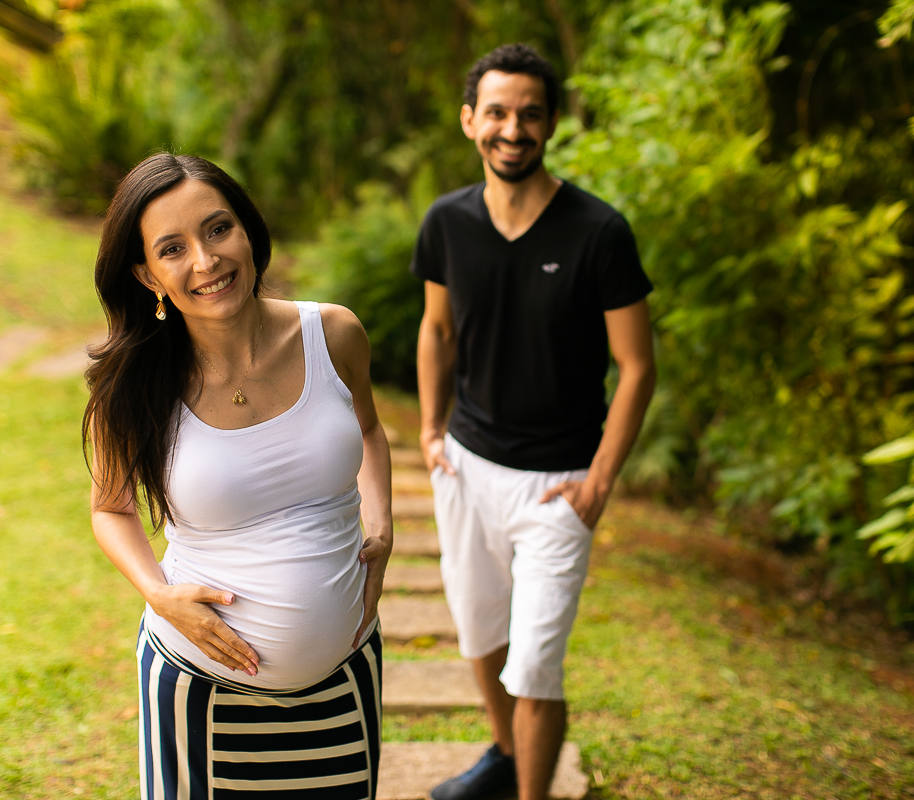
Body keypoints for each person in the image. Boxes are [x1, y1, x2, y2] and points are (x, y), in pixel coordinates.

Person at [84, 153, 392, 800]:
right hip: (199, 689)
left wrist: (382, 528)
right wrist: (157, 592)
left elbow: (367, 429)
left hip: (343, 676)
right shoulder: (134, 385)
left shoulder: (334, 334)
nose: (205, 260)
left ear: (248, 231)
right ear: (147, 274)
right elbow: (110, 508)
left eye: (218, 229)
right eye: (173, 248)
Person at [413, 44, 656, 800]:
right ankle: (502, 757)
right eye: (496, 112)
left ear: (551, 123)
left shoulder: (598, 232)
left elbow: (638, 367)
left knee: (536, 663)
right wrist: (428, 430)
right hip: (467, 466)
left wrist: (601, 482)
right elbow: (436, 331)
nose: (512, 129)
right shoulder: (446, 222)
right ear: (469, 120)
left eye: (529, 113)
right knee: (481, 635)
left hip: (560, 483)